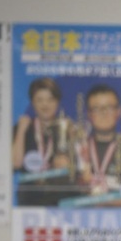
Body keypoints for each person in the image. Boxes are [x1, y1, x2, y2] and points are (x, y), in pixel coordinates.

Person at [12, 77, 85, 206]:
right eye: (39, 100)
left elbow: (83, 169)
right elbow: (15, 163)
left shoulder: (68, 127)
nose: (45, 105)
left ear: (58, 101)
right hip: (31, 198)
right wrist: (21, 131)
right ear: (32, 102)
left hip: (64, 197)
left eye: (50, 99)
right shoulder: (23, 128)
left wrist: (77, 143)